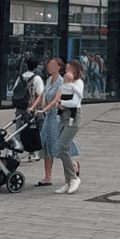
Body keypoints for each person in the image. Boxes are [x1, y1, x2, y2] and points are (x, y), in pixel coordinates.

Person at [41, 59, 84, 194]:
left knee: (62, 147)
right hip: (62, 116)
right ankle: (68, 181)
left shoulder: (78, 83)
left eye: (70, 70)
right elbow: (58, 97)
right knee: (60, 149)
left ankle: (73, 177)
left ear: (76, 71)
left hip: (73, 117)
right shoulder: (65, 83)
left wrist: (63, 102)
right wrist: (59, 104)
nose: (67, 72)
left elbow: (76, 102)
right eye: (67, 70)